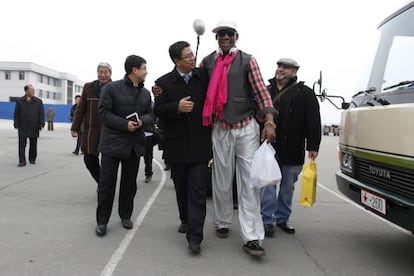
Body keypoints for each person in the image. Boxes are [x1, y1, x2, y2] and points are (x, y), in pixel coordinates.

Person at [199, 20, 276, 257]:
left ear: (236, 36)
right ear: (216, 38)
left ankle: (252, 237)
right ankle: (222, 222)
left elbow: (261, 91)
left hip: (245, 127)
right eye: (220, 34)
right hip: (220, 126)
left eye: (228, 34)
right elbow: (194, 85)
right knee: (221, 178)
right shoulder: (208, 61)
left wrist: (270, 121)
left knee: (248, 182)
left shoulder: (247, 60)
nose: (224, 37)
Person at [154, 41, 212, 254]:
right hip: (176, 145)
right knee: (182, 188)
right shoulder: (163, 83)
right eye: (187, 56)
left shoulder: (203, 77)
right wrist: (176, 107)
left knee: (197, 191)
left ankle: (195, 237)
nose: (192, 58)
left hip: (199, 145)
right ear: (177, 61)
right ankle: (185, 219)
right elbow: (158, 109)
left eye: (192, 54)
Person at [260, 58, 321, 237]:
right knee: (268, 184)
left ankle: (282, 218)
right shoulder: (266, 90)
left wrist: (313, 145)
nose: (280, 70)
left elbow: (313, 120)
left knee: (287, 187)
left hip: (293, 147)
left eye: (285, 68)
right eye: (279, 66)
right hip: (269, 147)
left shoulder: (305, 93)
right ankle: (267, 220)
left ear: (295, 72)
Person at [95, 55, 153, 237]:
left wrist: (141, 122)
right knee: (107, 185)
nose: (146, 71)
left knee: (129, 184)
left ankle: (125, 215)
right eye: (144, 68)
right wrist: (124, 124)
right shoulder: (111, 88)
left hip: (133, 146)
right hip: (112, 145)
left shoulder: (145, 93)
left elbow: (151, 115)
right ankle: (102, 221)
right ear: (134, 70)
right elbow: (103, 112)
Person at [71, 62, 112, 184]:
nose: (103, 75)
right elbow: (81, 109)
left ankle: (105, 188)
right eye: (101, 72)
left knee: (108, 162)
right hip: (91, 131)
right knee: (89, 159)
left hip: (109, 131)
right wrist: (74, 127)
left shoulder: (115, 87)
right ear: (97, 73)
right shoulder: (89, 87)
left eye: (106, 72)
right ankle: (101, 182)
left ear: (110, 74)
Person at [13, 84, 45, 167]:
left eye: (33, 90)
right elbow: (16, 113)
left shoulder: (38, 101)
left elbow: (41, 114)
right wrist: (16, 124)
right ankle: (22, 161)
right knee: (22, 144)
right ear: (26, 91)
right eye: (31, 90)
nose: (33, 91)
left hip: (34, 126)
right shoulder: (19, 101)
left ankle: (32, 159)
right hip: (22, 126)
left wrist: (41, 124)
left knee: (33, 144)